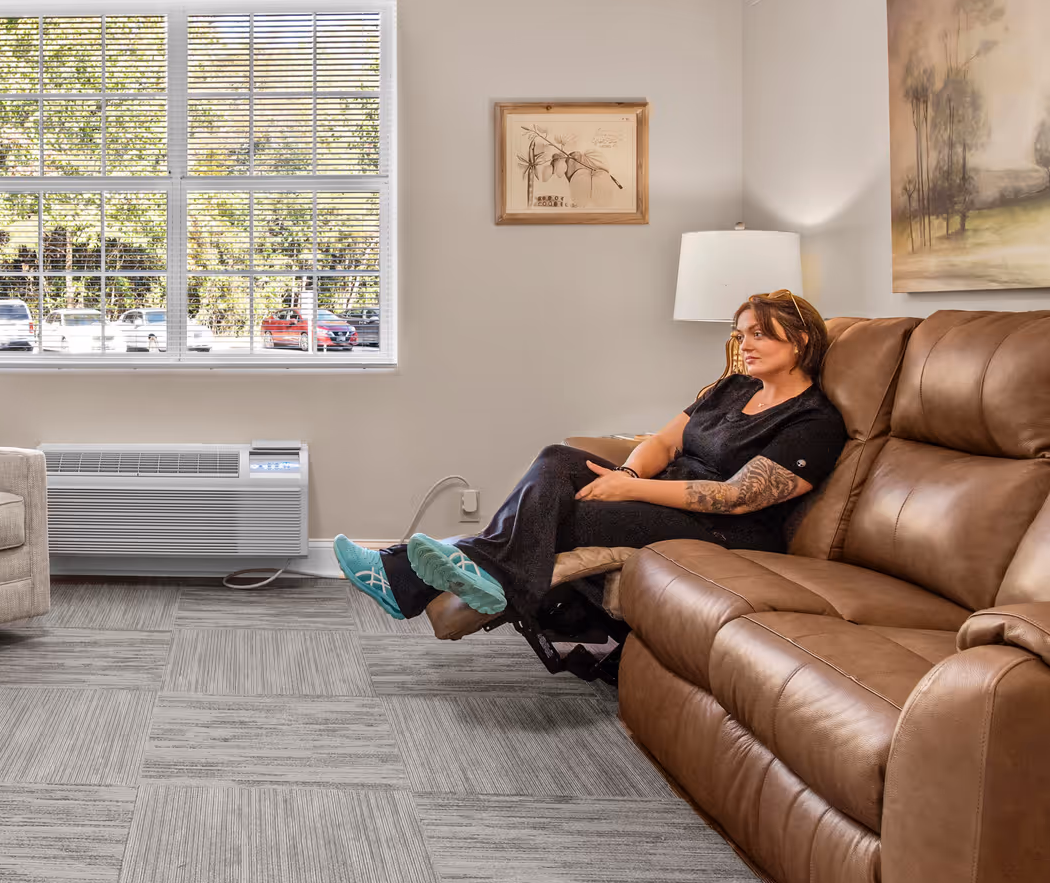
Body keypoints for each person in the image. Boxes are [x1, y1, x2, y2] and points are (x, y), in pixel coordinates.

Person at [334, 290, 848, 681]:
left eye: (759, 333)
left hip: (728, 532)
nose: (745, 344)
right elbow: (664, 443)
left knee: (571, 516)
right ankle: (451, 578)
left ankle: (401, 573)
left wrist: (633, 492)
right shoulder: (732, 388)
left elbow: (738, 498)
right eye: (741, 333)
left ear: (800, 340)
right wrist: (627, 473)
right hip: (665, 496)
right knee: (558, 459)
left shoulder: (812, 422)